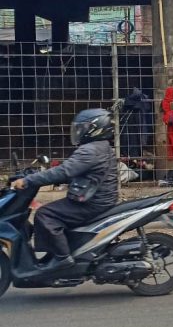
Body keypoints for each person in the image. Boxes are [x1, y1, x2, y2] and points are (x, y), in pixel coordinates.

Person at [11, 108, 118, 273]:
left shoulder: (90, 150)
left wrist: (27, 180)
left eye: (81, 128)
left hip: (93, 202)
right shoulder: (100, 146)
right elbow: (74, 170)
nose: (78, 132)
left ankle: (62, 258)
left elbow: (64, 171)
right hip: (99, 198)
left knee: (45, 214)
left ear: (94, 129)